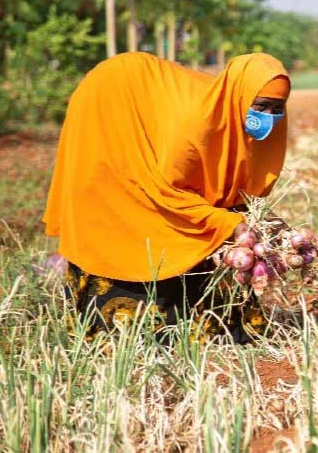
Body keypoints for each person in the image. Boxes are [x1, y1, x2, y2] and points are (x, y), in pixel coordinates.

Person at [42, 51, 291, 343]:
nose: (269, 117)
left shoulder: (241, 120)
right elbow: (166, 194)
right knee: (122, 204)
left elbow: (234, 193)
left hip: (144, 113)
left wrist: (260, 222)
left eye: (278, 108)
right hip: (109, 106)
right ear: (238, 95)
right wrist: (229, 224)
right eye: (262, 106)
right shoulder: (193, 127)